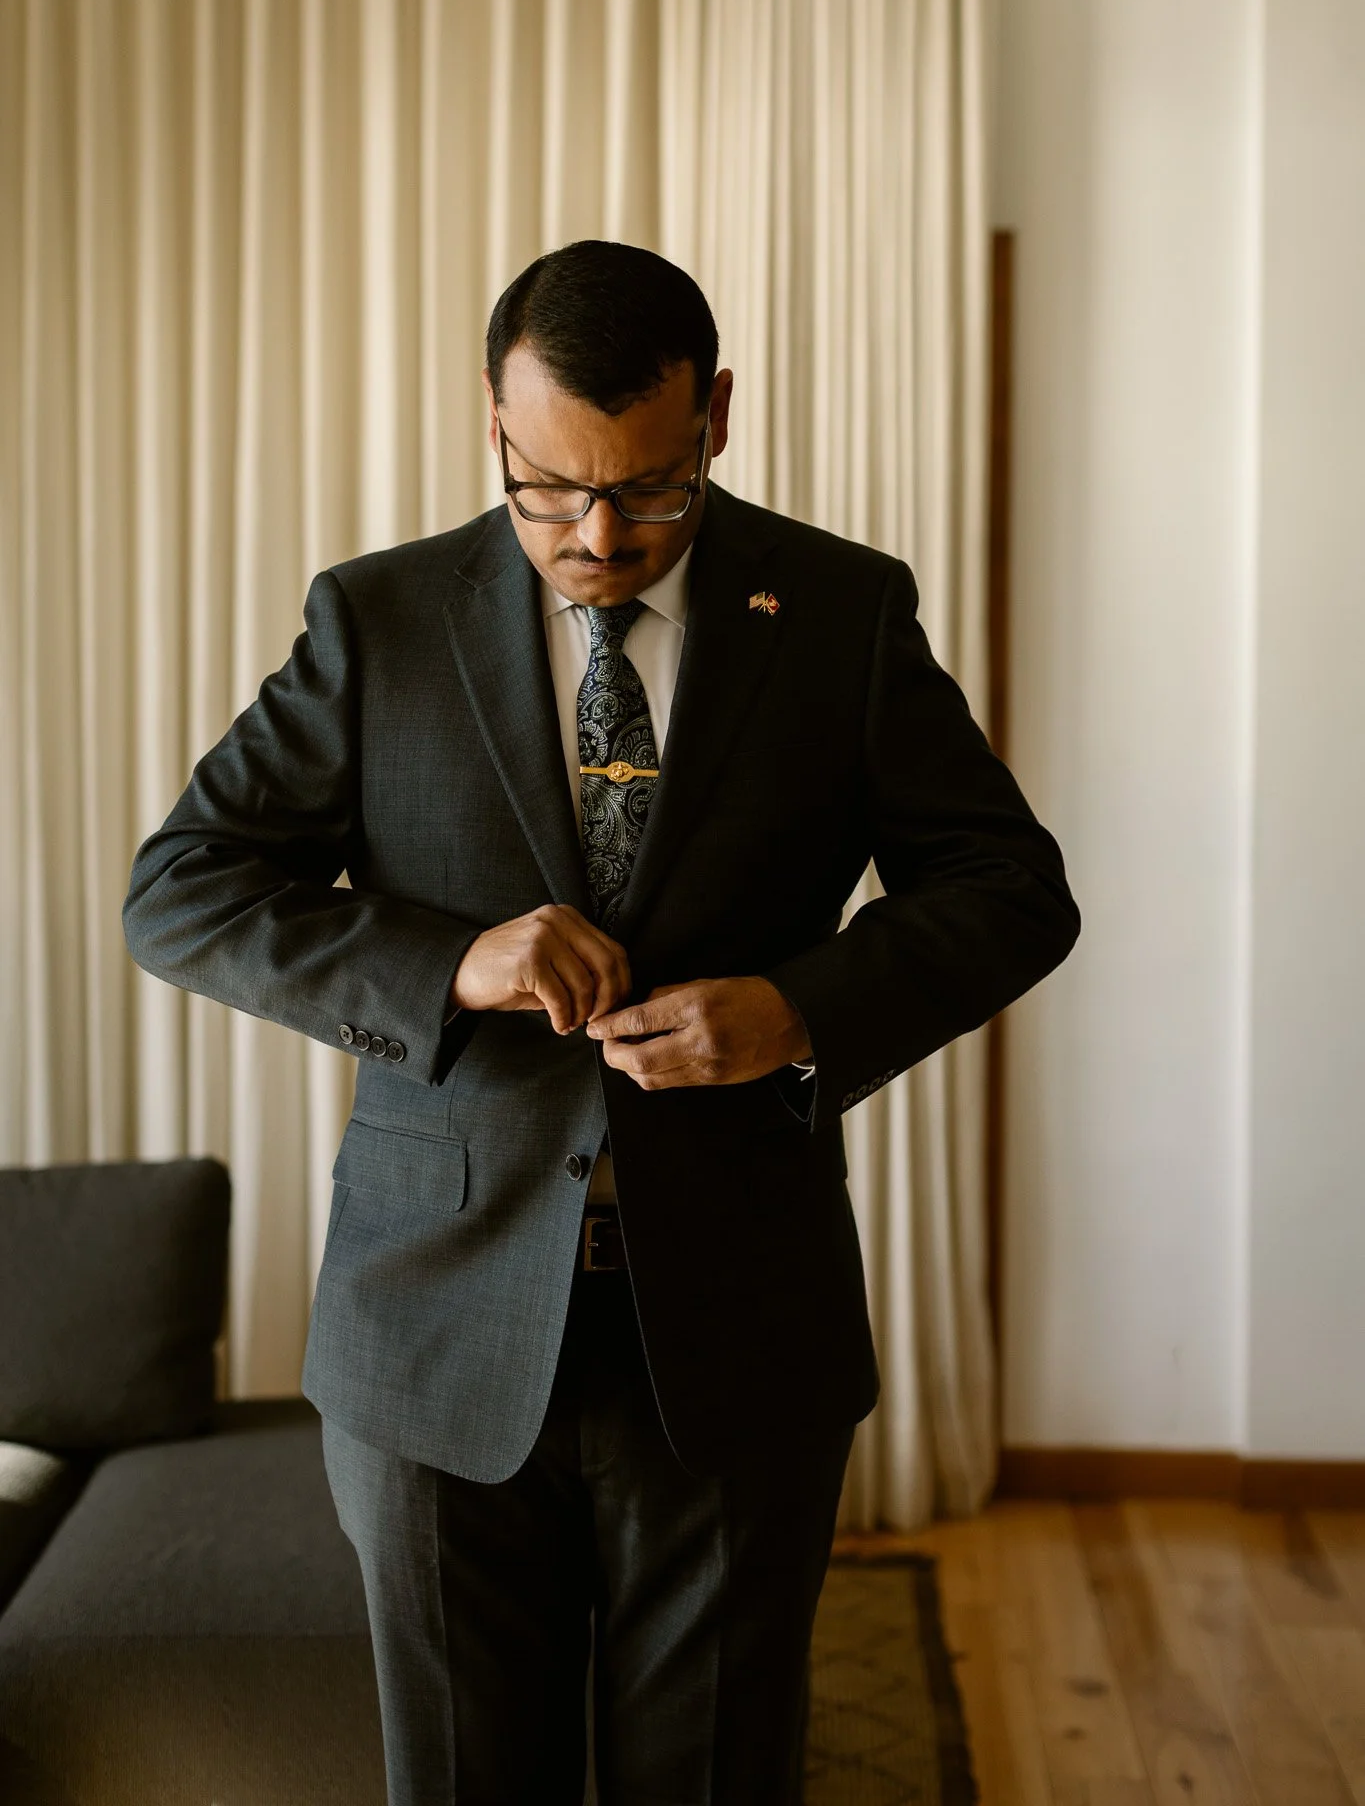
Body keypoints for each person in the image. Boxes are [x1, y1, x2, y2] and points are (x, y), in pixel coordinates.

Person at [123, 239, 1080, 1806]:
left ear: (716, 413)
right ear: (495, 421)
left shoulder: (839, 613)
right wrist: (451, 964)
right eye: (548, 487)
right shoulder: (376, 622)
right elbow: (183, 891)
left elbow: (1010, 890)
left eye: (645, 489)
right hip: (429, 1332)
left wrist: (798, 1012)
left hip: (736, 1327)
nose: (594, 536)